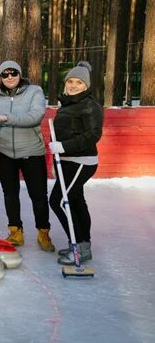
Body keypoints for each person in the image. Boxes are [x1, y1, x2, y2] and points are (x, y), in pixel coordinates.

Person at [0, 60, 55, 252]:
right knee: (10, 193)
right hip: (4, 151)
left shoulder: (34, 91)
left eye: (13, 73)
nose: (9, 77)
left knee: (38, 195)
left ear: (19, 74)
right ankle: (15, 231)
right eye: (4, 74)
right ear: (0, 77)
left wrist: (7, 118)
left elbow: (35, 117)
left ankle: (43, 232)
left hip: (31, 151)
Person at [48, 62, 103, 265]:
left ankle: (77, 245)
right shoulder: (70, 103)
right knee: (77, 202)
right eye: (70, 81)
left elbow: (92, 135)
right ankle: (84, 246)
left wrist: (63, 146)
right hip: (69, 160)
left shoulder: (90, 105)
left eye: (78, 82)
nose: (73, 85)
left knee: (59, 201)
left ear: (86, 86)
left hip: (81, 160)